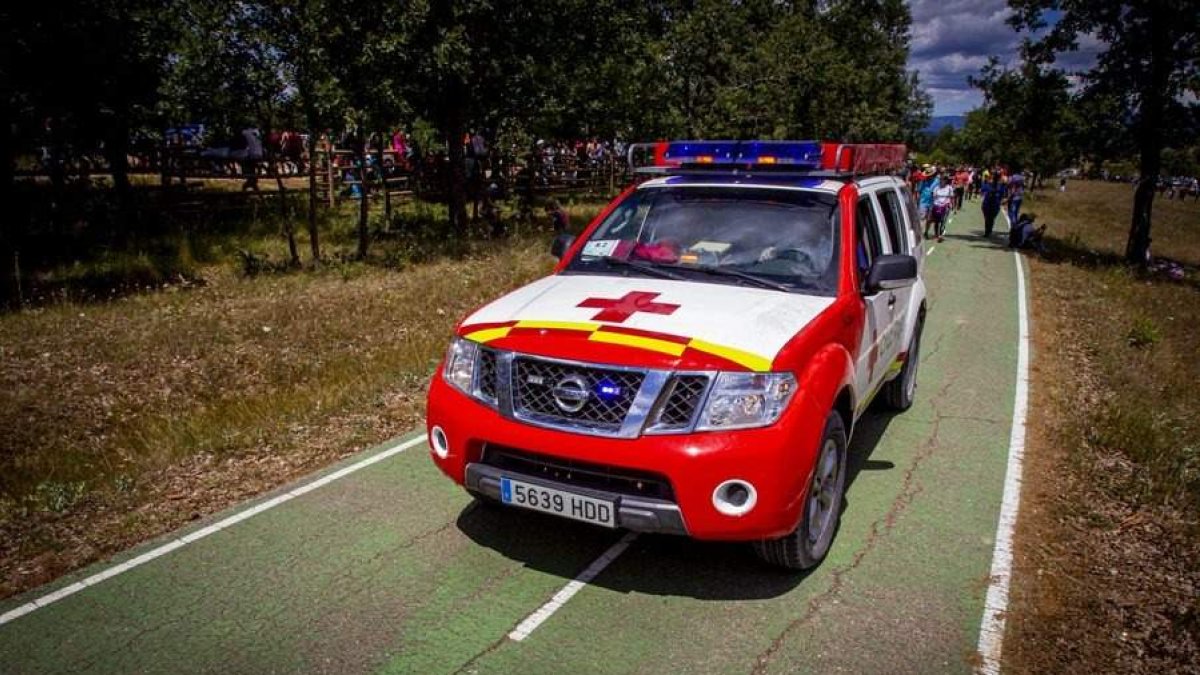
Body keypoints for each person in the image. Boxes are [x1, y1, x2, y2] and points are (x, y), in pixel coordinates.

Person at [980, 171, 1005, 237]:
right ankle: (988, 231)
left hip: (993, 205)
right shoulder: (988, 184)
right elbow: (982, 190)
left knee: (990, 219)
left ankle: (988, 230)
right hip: (988, 205)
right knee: (989, 219)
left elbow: (1002, 195)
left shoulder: (1000, 186)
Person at [930, 174, 954, 242]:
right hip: (936, 205)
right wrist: (933, 204)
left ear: (946, 181)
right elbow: (933, 197)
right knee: (936, 221)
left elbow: (952, 197)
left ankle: (940, 235)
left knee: (943, 221)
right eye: (940, 180)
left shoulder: (949, 188)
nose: (941, 181)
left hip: (945, 206)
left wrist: (951, 205)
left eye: (942, 180)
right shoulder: (936, 188)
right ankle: (936, 235)